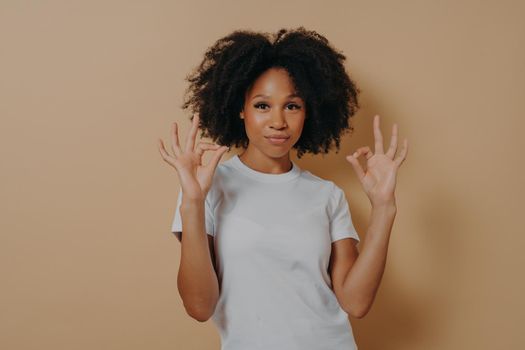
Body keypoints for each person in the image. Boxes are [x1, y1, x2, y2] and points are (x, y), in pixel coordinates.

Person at [158, 27, 408, 350]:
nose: (278, 121)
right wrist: (192, 202)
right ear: (241, 108)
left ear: (308, 111)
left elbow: (356, 303)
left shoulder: (327, 195)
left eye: (292, 106)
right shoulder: (206, 187)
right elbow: (199, 306)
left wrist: (384, 208)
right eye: (263, 105)